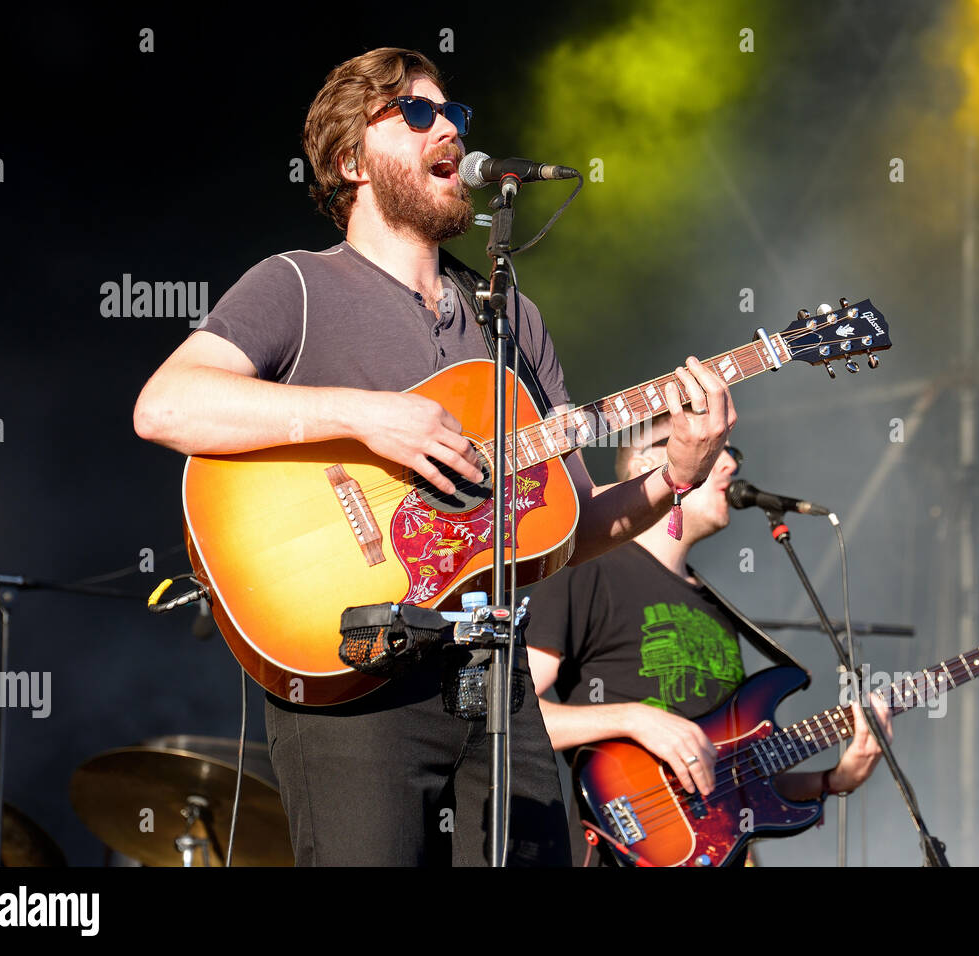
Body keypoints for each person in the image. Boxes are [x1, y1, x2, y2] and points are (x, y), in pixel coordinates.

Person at [132, 47, 736, 866]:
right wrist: (369, 419)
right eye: (416, 113)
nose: (448, 124)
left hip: (496, 682)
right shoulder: (297, 286)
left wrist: (676, 476)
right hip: (355, 676)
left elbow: (573, 527)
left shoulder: (508, 320)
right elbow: (166, 406)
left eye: (454, 113)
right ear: (350, 160)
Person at [525, 416, 892, 865]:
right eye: (715, 449)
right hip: (622, 849)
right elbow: (515, 713)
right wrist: (636, 719)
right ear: (648, 462)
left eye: (731, 453)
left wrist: (833, 780)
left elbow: (734, 783)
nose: (730, 467)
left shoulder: (716, 610)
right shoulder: (586, 568)